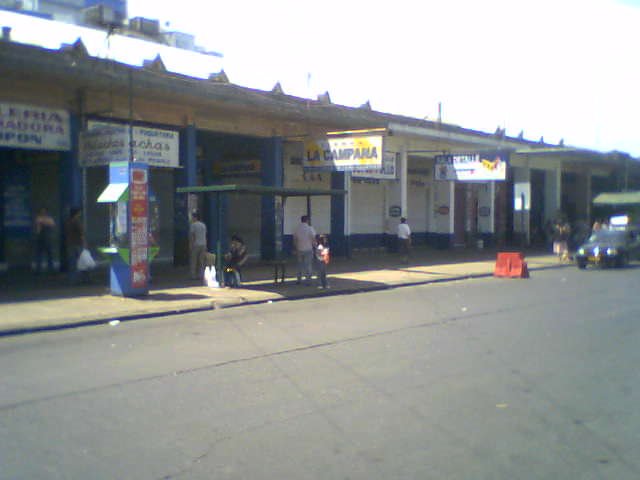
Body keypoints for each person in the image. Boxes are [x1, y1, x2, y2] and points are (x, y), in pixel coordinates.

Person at [64, 207, 87, 284]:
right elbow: (82, 233)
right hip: (78, 244)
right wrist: (84, 243)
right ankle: (81, 279)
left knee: (72, 262)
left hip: (70, 243)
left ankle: (72, 279)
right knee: (81, 262)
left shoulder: (68, 222)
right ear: (77, 213)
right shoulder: (76, 221)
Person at [293, 215, 316, 285]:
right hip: (308, 249)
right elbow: (313, 238)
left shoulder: (297, 229)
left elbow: (295, 240)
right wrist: (315, 246)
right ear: (307, 220)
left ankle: (299, 279)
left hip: (299, 249)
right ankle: (308, 280)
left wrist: (295, 248)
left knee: (299, 265)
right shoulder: (310, 228)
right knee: (308, 265)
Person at [34, 207, 55, 274]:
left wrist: (43, 222)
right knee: (40, 254)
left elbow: (52, 224)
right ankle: (38, 269)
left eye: (44, 211)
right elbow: (38, 227)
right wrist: (45, 222)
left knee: (49, 254)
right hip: (41, 238)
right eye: (42, 211)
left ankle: (50, 269)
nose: (43, 212)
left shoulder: (48, 218)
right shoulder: (39, 218)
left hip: (47, 238)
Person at [189, 211, 207, 280]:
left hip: (196, 245)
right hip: (203, 244)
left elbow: (192, 236)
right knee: (201, 261)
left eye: (192, 217)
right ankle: (201, 275)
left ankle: (193, 275)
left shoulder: (193, 225)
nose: (192, 218)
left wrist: (190, 245)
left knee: (194, 261)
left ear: (195, 217)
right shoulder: (203, 225)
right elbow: (205, 235)